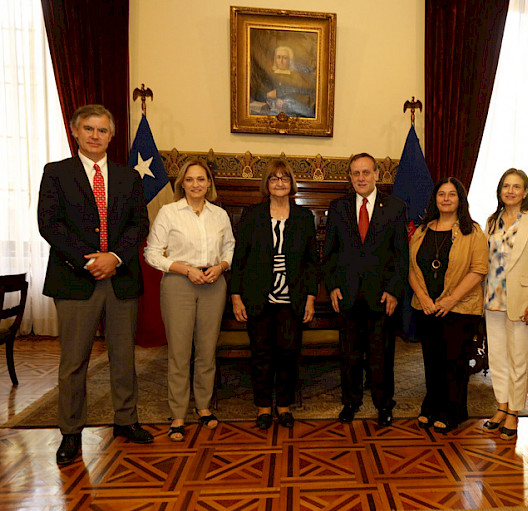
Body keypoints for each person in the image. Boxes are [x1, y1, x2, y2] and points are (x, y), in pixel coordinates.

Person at [38, 104, 152, 465]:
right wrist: (90, 259)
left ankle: (126, 420)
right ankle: (71, 432)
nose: (95, 135)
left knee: (123, 357)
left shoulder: (128, 177)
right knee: (74, 361)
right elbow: (49, 224)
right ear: (75, 131)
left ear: (111, 136)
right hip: (75, 278)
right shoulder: (56, 173)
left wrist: (114, 257)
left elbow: (139, 225)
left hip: (120, 278)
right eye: (88, 128)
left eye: (102, 130)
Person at [144, 159, 234, 441]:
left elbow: (230, 247)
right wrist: (185, 269)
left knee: (207, 352)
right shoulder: (169, 213)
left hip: (213, 283)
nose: (196, 184)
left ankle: (204, 407)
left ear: (209, 183)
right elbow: (152, 253)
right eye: (190, 179)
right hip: (179, 284)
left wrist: (221, 266)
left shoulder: (219, 215)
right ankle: (178, 414)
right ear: (181, 183)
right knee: (180, 353)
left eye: (201, 179)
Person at [230, 159, 318, 429]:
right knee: (261, 355)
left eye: (284, 178)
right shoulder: (253, 214)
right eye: (274, 178)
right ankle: (263, 407)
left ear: (291, 184)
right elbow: (239, 258)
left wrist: (311, 299)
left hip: (293, 299)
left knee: (289, 355)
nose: (279, 183)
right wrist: (236, 296)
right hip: (259, 298)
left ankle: (284, 406)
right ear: (266, 185)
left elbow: (311, 261)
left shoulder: (304, 217)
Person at [324, 153, 408, 426]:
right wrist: (333, 286)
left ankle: (384, 405)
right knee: (349, 355)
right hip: (347, 295)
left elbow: (400, 254)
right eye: (355, 173)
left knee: (381, 356)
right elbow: (330, 253)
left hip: (382, 296)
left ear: (377, 174)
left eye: (366, 172)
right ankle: (351, 402)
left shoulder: (395, 207)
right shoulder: (338, 207)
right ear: (350, 177)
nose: (361, 178)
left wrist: (394, 290)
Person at [408, 177, 488, 433]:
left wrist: (451, 300)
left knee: (454, 362)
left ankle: (453, 411)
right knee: (431, 360)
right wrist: (422, 296)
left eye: (451, 194)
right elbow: (410, 267)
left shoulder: (472, 231)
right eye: (441, 194)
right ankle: (431, 405)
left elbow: (479, 270)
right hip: (426, 307)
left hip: (459, 308)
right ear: (435, 198)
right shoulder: (421, 230)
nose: (445, 198)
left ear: (460, 200)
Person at [482, 169, 528, 440]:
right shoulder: (492, 221)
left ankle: (514, 412)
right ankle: (501, 406)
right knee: (497, 358)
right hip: (492, 300)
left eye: (516, 186)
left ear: (525, 192)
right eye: (506, 186)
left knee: (519, 359)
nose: (510, 191)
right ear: (500, 191)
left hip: (523, 302)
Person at [251, 45, 316, 118]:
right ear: (275, 59)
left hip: (292, 113)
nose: (281, 61)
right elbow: (258, 94)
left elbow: (306, 95)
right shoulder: (267, 76)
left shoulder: (298, 77)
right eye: (278, 57)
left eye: (284, 58)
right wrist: (267, 95)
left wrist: (281, 96)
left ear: (290, 60)